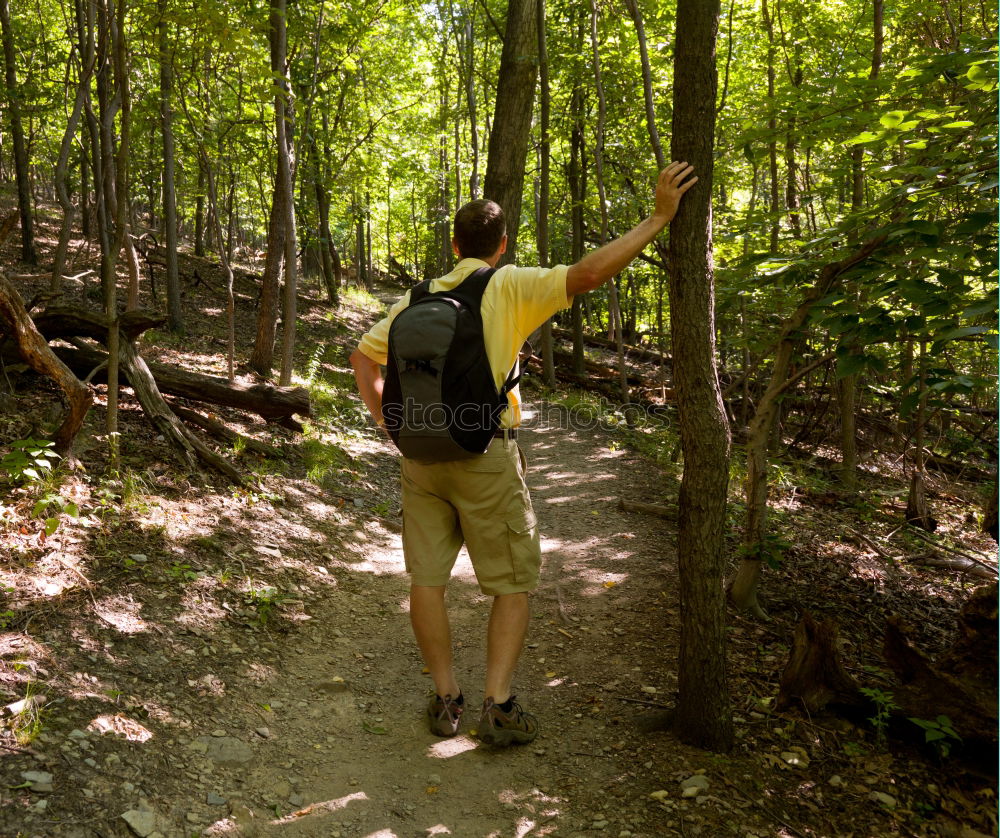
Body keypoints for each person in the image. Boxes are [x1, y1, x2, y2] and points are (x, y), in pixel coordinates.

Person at [350, 161, 697, 746]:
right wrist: (659, 216)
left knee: (426, 581)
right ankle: (499, 704)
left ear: (454, 244)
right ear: (502, 245)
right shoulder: (508, 286)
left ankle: (444, 698)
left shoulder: (416, 297)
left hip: (420, 459)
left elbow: (364, 359)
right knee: (511, 584)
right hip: (487, 455)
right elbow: (588, 273)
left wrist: (392, 424)